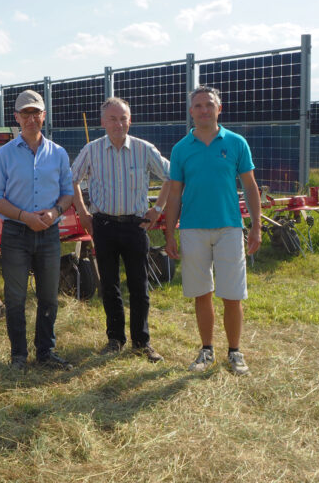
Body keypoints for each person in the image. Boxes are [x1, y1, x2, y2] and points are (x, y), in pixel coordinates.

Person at [164, 86, 262, 376]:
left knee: (232, 294)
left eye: (209, 104)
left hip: (230, 228)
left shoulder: (236, 143)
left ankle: (235, 352)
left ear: (220, 109)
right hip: (192, 230)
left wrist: (256, 225)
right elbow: (175, 195)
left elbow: (250, 186)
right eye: (198, 105)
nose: (204, 110)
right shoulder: (181, 149)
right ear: (191, 111)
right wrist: (169, 233)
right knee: (202, 293)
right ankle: (206, 349)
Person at [71, 97, 171, 362]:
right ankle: (115, 339)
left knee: (139, 285)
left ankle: (142, 342)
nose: (118, 123)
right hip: (103, 226)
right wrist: (83, 213)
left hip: (135, 227)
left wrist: (157, 209)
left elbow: (172, 176)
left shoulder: (143, 149)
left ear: (130, 120)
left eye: (123, 118)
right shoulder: (92, 150)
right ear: (103, 122)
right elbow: (71, 180)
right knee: (110, 285)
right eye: (112, 119)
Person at [0, 90, 75, 371]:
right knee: (16, 297)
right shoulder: (3, 154)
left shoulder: (58, 153)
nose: (31, 118)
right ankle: (19, 356)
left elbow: (67, 194)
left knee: (49, 296)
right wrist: (25, 217)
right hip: (16, 233)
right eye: (25, 113)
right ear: (16, 118)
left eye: (35, 112)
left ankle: (46, 352)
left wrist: (54, 212)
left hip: (49, 232)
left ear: (44, 116)